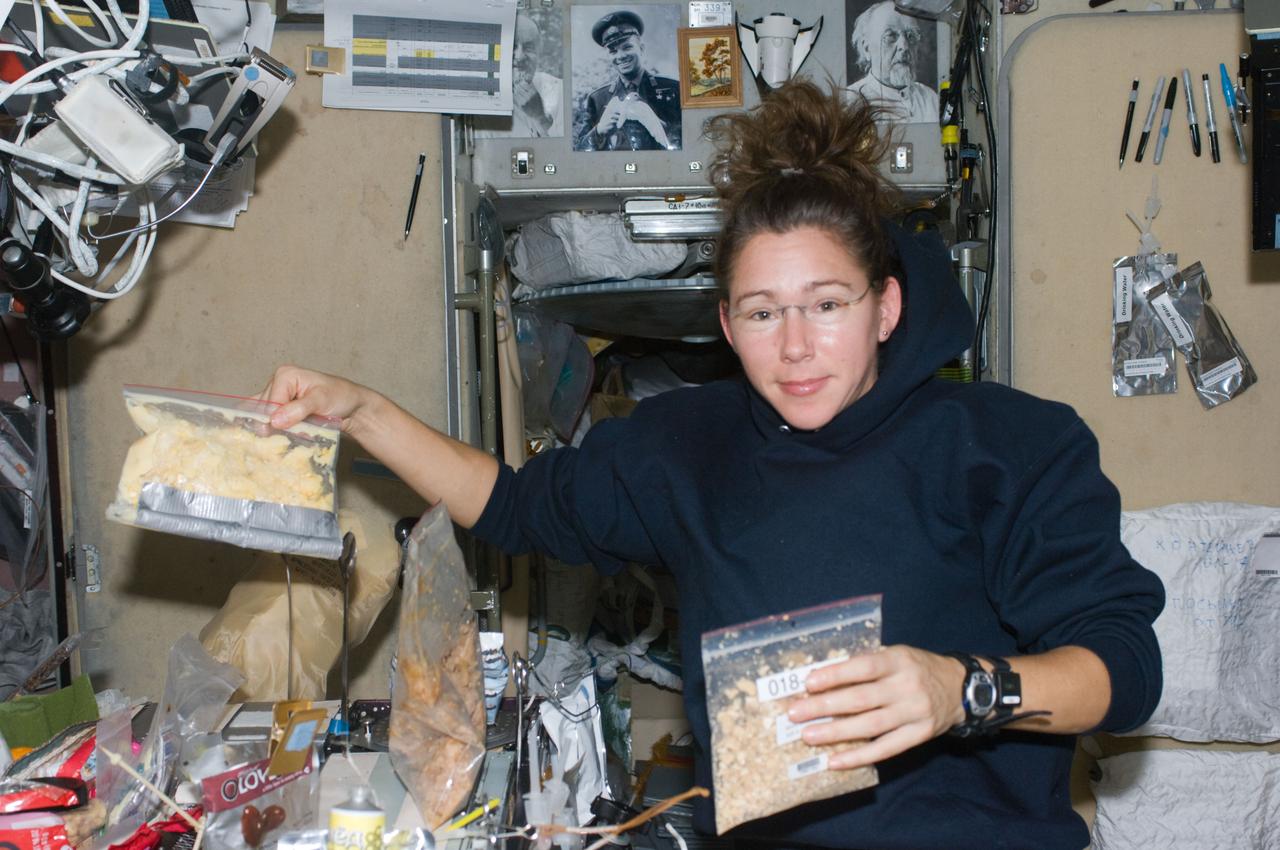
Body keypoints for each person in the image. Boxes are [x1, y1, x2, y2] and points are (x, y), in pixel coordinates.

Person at [264, 81, 1163, 850]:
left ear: (885, 308)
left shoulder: (1004, 446)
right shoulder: (687, 445)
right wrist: (362, 412)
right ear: (728, 326)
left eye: (827, 305)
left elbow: (1123, 672)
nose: (799, 348)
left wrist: (959, 689)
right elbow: (513, 508)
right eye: (765, 314)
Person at [576, 10, 682, 151]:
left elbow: (691, 138)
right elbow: (579, 150)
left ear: (641, 48)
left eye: (627, 47)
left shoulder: (673, 89)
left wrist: (661, 126)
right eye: (613, 51)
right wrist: (599, 131)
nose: (621, 56)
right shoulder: (597, 99)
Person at [846, 1, 940, 123]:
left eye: (911, 36)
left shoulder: (929, 98)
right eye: (890, 36)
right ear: (866, 48)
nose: (904, 46)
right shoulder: (851, 102)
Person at [510, 13, 563, 138]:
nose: (520, 56)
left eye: (529, 47)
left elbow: (567, 152)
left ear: (539, 50)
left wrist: (541, 117)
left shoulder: (560, 91)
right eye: (512, 47)